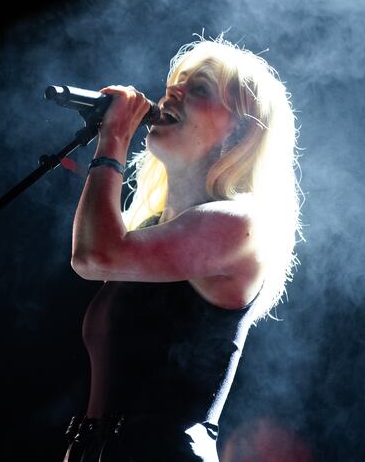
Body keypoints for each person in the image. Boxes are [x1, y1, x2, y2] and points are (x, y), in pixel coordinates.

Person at [64, 35, 302, 461]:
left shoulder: (241, 224)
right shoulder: (154, 231)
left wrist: (114, 137)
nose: (172, 92)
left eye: (200, 89)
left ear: (241, 131)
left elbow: (93, 255)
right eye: (177, 82)